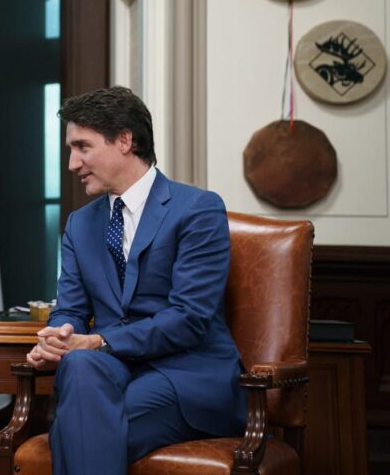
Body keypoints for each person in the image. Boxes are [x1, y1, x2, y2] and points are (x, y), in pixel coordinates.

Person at [26, 87, 246, 473]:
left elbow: (190, 317)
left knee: (78, 428)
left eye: (83, 147)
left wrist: (98, 340)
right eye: (70, 149)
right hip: (109, 372)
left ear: (125, 140)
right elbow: (72, 309)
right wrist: (60, 336)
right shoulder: (80, 224)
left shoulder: (197, 208)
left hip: (184, 375)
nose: (72, 163)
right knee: (78, 367)